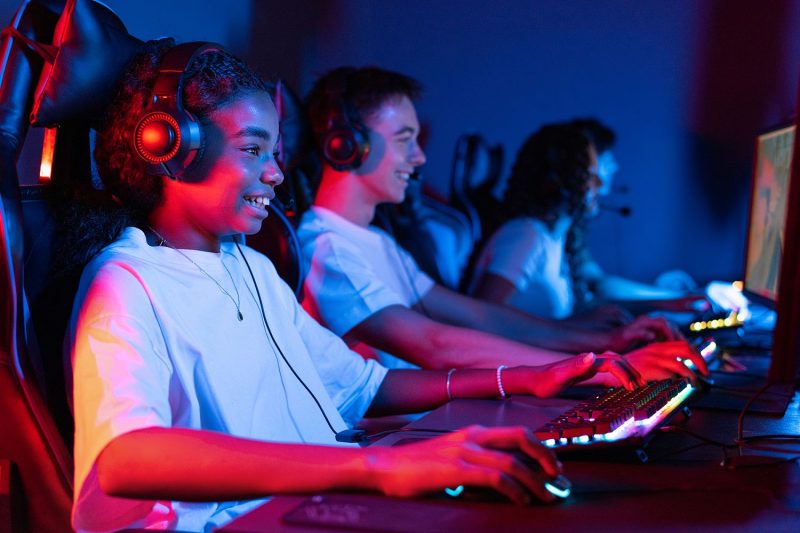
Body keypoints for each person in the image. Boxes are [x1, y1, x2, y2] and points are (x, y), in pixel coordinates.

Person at [67, 40, 654, 533]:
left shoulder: (250, 268)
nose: (274, 171)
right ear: (170, 149)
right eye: (253, 150)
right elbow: (124, 457)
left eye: (274, 152)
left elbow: (366, 387)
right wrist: (374, 467)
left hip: (309, 505)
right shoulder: (128, 281)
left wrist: (524, 378)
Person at [298, 66, 706, 381]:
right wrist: (598, 366)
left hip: (434, 421)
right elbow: (434, 344)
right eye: (406, 139)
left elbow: (481, 316)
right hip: (399, 439)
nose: (420, 158)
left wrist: (605, 342)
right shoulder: (329, 250)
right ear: (346, 145)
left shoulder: (376, 242)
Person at [471, 121, 708, 325]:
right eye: (590, 176)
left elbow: (596, 286)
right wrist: (574, 328)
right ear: (556, 181)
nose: (600, 185)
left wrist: (668, 302)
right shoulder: (525, 236)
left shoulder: (554, 239)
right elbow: (482, 317)